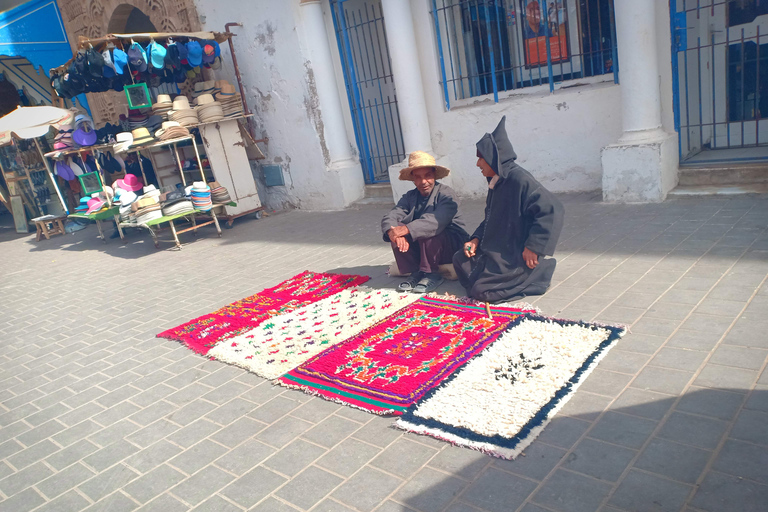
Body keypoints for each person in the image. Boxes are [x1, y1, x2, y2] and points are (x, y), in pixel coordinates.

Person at [453, 116, 564, 303]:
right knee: (459, 259)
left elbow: (553, 208)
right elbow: (490, 218)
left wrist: (533, 247)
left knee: (481, 292)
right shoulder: (496, 182)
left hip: (514, 252)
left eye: (481, 158)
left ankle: (539, 272)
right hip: (496, 247)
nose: (477, 164)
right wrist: (475, 239)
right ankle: (497, 277)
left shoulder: (519, 179)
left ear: (493, 158)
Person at [382, 151, 469, 294]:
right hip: (424, 247)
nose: (423, 182)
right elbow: (392, 215)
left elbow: (436, 221)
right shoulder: (410, 196)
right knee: (397, 231)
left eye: (427, 176)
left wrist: (406, 229)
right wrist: (393, 232)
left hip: (450, 244)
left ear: (434, 175)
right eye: (418, 177)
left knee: (425, 230)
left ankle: (432, 273)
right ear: (413, 180)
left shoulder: (446, 194)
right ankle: (416, 272)